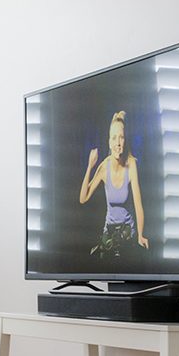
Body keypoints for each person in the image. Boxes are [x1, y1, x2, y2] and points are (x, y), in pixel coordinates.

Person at [78, 110, 149, 257]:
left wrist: (140, 235)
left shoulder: (132, 164)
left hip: (128, 234)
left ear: (125, 140)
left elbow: (138, 204)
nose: (118, 143)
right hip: (109, 235)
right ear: (109, 142)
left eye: (121, 137)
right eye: (114, 138)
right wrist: (89, 166)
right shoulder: (104, 166)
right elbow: (83, 198)